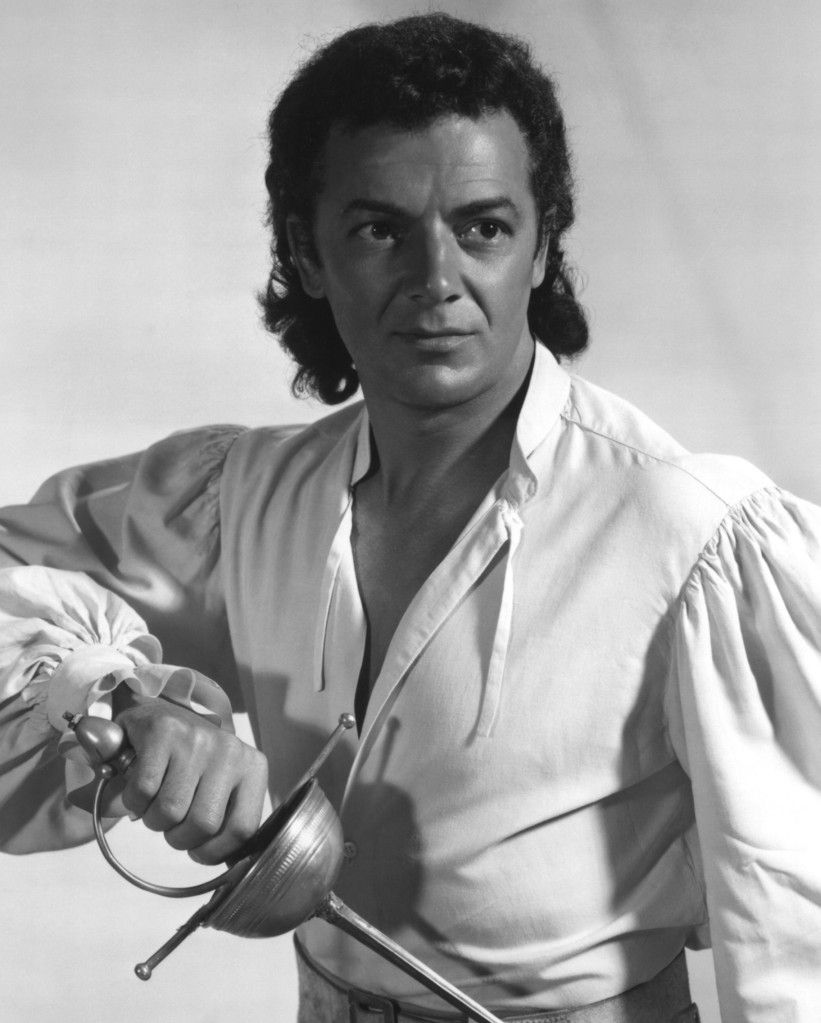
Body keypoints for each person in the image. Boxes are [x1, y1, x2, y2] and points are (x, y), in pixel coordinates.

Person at [0, 12, 819, 1022]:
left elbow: (797, 938)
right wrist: (120, 699)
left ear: (540, 245)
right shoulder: (236, 501)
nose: (437, 282)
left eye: (483, 227)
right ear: (307, 252)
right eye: (380, 230)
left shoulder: (695, 537)